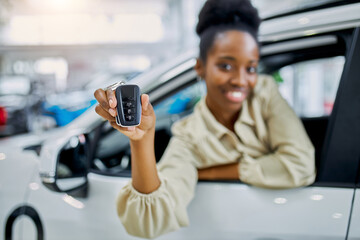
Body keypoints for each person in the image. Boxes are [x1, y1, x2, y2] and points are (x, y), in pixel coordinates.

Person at [94, 0, 316, 238]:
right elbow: (147, 223)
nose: (241, 80)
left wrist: (207, 172)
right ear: (200, 67)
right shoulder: (190, 137)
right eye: (225, 65)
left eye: (250, 68)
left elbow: (300, 165)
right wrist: (142, 140)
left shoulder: (265, 92)